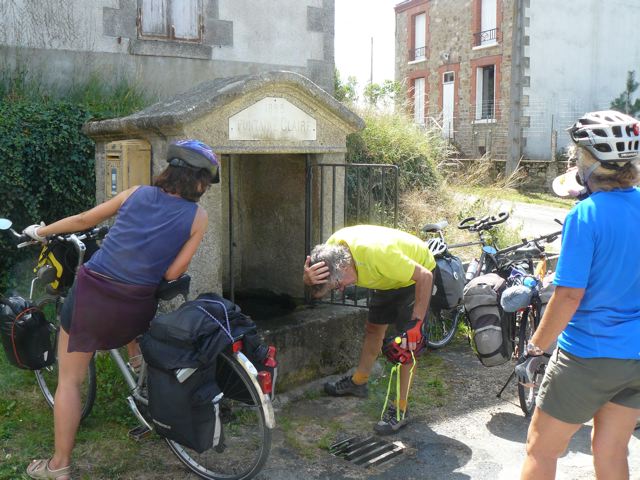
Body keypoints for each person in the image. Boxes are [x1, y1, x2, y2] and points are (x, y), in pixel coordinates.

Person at [22, 139, 219, 480]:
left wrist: (40, 231)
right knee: (135, 328)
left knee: (69, 381)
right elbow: (172, 274)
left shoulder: (135, 194)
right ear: (201, 182)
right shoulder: (198, 217)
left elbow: (84, 220)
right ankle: (144, 383)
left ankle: (59, 466)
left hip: (92, 299)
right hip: (136, 308)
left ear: (170, 169)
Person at [516, 110, 640, 480]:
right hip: (636, 356)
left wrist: (535, 349)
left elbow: (568, 295)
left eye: (578, 154)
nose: (574, 161)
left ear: (590, 160)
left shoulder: (585, 215)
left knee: (541, 448)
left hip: (588, 354)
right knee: (611, 448)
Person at [303, 225, 435, 435]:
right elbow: (319, 289)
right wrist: (307, 279)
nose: (341, 289)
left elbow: (425, 276)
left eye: (337, 285)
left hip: (415, 276)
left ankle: (401, 409)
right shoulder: (329, 255)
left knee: (407, 344)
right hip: (386, 279)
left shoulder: (381, 256)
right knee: (373, 328)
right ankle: (359, 382)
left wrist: (416, 324)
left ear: (345, 266)